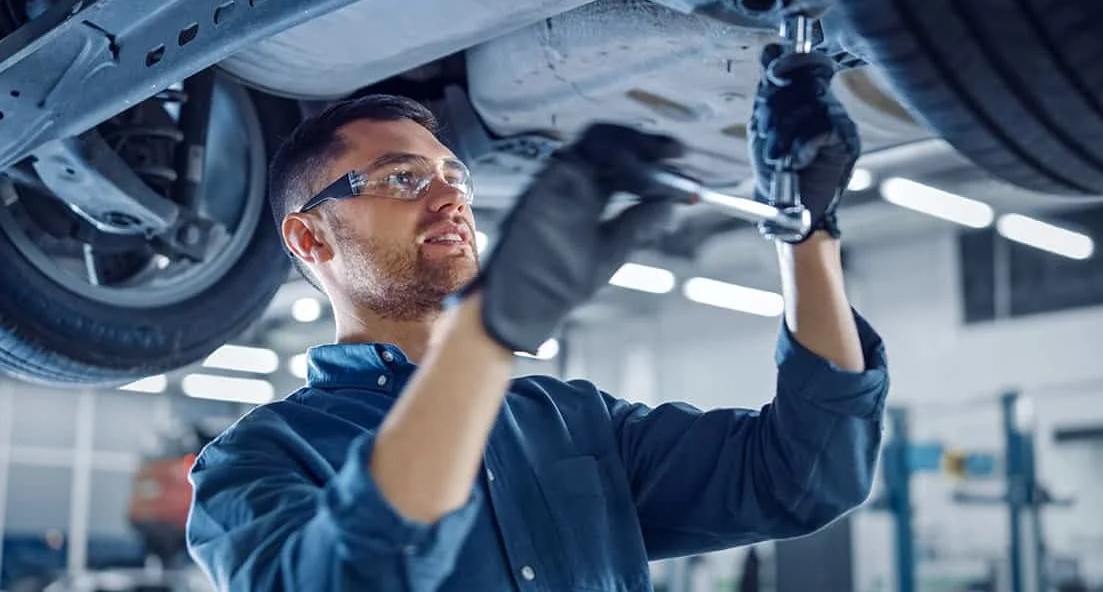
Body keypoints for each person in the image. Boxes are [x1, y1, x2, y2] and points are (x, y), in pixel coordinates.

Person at [185, 43, 890, 591]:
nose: (450, 199)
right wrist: (485, 333)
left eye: (455, 178)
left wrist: (807, 232)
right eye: (404, 178)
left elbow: (806, 474)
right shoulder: (253, 463)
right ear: (310, 238)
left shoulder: (574, 421)